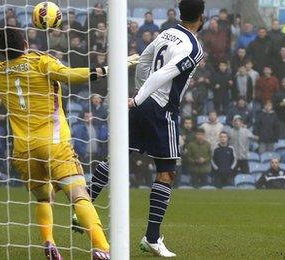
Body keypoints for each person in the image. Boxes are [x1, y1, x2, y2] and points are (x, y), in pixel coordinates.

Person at [0, 28, 138, 259]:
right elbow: (72, 75)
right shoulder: (41, 62)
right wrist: (112, 68)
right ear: (26, 43)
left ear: (2, 51)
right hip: (54, 143)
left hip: (23, 150)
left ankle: (49, 242)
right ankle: (102, 247)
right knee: (79, 194)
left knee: (43, 197)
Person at [85, 0, 205, 257]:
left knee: (118, 157)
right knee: (167, 172)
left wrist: (140, 94)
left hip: (143, 102)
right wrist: (140, 97)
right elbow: (165, 74)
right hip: (161, 109)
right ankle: (152, 237)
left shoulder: (166, 33)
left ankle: (83, 207)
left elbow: (143, 61)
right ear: (202, 18)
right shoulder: (193, 47)